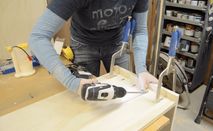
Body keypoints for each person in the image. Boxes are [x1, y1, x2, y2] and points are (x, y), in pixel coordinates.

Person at [29, 0, 158, 96]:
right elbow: (38, 37)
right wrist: (71, 82)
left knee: (127, 93)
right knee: (88, 98)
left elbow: (140, 31)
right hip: (83, 44)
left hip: (117, 44)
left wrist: (142, 69)